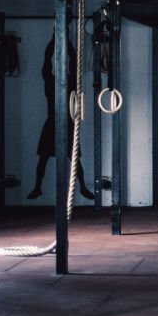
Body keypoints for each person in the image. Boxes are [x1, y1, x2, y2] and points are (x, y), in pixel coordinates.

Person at [28, 35, 94, 201]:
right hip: (52, 122)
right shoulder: (50, 83)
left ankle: (83, 187)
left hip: (68, 123)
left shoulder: (71, 83)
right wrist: (55, 37)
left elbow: (73, 60)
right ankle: (37, 187)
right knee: (43, 158)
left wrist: (64, 38)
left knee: (74, 159)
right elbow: (46, 59)